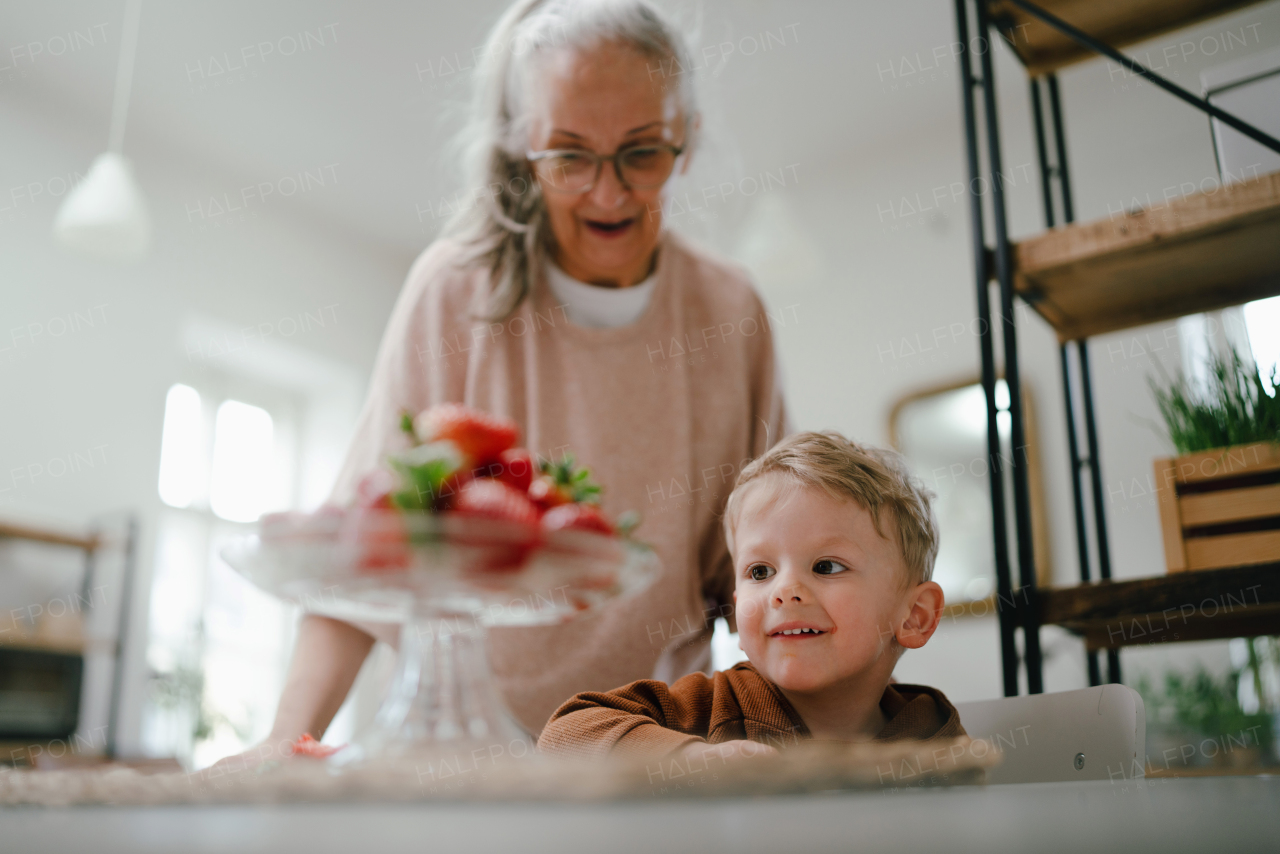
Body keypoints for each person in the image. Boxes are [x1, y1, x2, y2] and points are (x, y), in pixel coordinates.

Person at [257, 0, 789, 748]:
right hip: (456, 743)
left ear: (688, 139)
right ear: (521, 150)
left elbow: (764, 567)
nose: (608, 193)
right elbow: (366, 554)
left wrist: (817, 729)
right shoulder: (454, 290)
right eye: (570, 156)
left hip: (651, 746)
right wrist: (285, 741)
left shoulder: (731, 311)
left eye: (642, 153)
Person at [537, 431, 963, 758]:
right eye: (760, 571)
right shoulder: (705, 709)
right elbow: (564, 735)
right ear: (739, 612)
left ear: (915, 616)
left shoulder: (931, 732)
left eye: (827, 566)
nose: (785, 592)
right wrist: (691, 761)